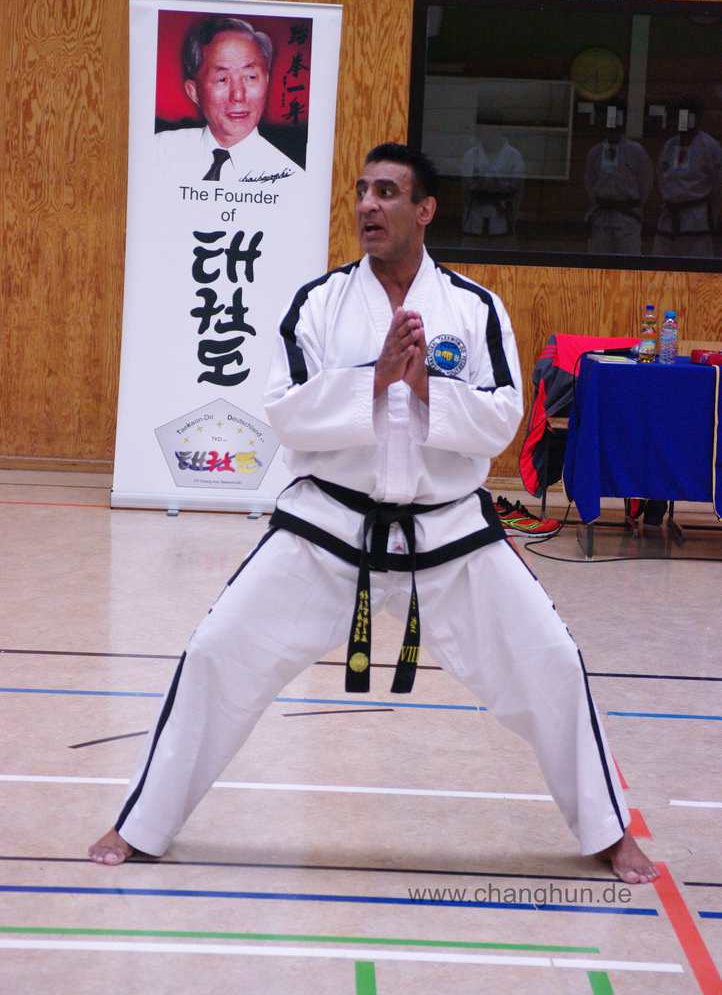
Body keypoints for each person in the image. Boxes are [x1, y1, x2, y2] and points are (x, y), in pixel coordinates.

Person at [89, 142, 657, 884]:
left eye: (387, 192)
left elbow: (502, 420)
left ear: (425, 209)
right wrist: (375, 378)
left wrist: (425, 390)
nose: (367, 206)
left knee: (552, 659)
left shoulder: (473, 308)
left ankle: (609, 830)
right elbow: (285, 410)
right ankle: (142, 822)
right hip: (328, 527)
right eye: (362, 191)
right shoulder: (320, 304)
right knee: (216, 651)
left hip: (448, 531)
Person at [155, 16, 297, 181]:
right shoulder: (158, 152)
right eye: (222, 79)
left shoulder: (290, 178)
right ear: (193, 92)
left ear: (266, 82)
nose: (238, 96)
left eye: (250, 77)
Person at [653, 98, 722, 258]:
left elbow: (718, 186)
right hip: (669, 218)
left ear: (697, 118)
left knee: (696, 267)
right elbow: (660, 179)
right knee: (661, 266)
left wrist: (714, 216)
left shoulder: (710, 146)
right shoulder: (669, 146)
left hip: (696, 219)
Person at [584, 105, 653, 255]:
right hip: (601, 220)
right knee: (599, 266)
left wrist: (630, 205)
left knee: (628, 266)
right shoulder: (595, 152)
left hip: (627, 219)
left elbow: (646, 183)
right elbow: (589, 183)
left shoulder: (636, 151)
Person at [461, 125, 524, 247]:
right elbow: (466, 187)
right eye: (485, 130)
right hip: (474, 222)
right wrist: (483, 183)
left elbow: (516, 188)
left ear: (500, 130)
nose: (488, 133)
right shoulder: (471, 155)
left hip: (503, 221)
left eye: (492, 130)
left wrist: (496, 183)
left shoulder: (514, 156)